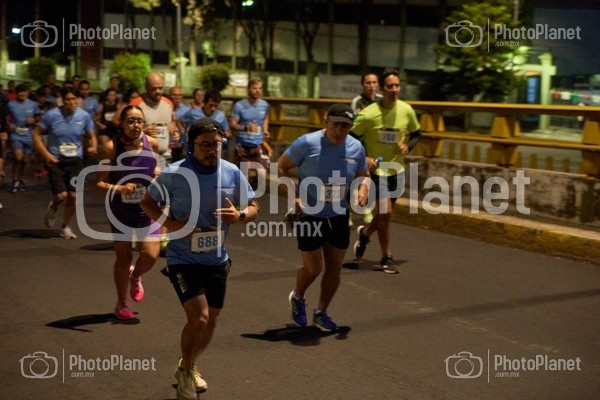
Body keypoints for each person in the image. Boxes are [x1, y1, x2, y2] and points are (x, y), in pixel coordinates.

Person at [140, 118, 257, 399]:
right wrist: (171, 224)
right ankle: (185, 373)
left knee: (211, 321)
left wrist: (240, 215)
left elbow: (253, 206)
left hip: (216, 259)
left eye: (216, 144)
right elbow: (147, 202)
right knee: (200, 318)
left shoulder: (231, 172)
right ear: (191, 146)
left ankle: (188, 363)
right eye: (204, 145)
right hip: (183, 258)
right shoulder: (175, 173)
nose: (211, 150)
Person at [278, 103, 369, 331]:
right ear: (325, 121)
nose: (339, 130)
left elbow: (364, 174)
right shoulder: (307, 143)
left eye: (345, 126)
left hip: (338, 214)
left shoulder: (356, 147)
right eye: (335, 124)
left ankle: (321, 312)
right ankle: (298, 296)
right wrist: (293, 197)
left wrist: (362, 191)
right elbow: (282, 166)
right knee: (313, 269)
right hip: (309, 214)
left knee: (334, 269)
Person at [351, 67, 421, 274]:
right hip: (377, 171)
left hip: (396, 169)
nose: (395, 89)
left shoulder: (406, 110)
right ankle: (386, 257)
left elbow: (416, 133)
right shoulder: (368, 114)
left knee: (384, 215)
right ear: (382, 89)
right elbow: (350, 137)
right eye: (390, 86)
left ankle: (365, 234)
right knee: (386, 211)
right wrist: (364, 157)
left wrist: (408, 146)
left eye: (397, 86)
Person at [96, 105, 161, 320]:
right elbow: (99, 183)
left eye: (139, 121)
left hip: (148, 205)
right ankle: (121, 303)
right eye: (131, 121)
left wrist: (156, 177)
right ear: (121, 123)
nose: (136, 125)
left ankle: (136, 275)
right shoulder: (111, 147)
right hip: (121, 208)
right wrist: (120, 188)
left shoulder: (151, 144)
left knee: (151, 255)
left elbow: (155, 170)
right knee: (124, 257)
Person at [33, 86, 98, 239]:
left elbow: (92, 136)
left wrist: (93, 147)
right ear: (62, 100)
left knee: (73, 195)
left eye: (74, 99)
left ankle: (65, 227)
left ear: (78, 100)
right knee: (62, 195)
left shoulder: (84, 116)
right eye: (68, 99)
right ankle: (54, 205)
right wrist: (46, 154)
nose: (71, 102)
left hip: (76, 160)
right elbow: (36, 134)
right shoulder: (51, 115)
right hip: (56, 159)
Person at [128, 72, 179, 167]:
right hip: (142, 157)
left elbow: (171, 123)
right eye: (154, 88)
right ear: (146, 87)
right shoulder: (136, 104)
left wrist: (174, 132)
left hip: (165, 156)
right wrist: (143, 132)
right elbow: (125, 131)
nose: (158, 91)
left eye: (160, 88)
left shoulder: (168, 103)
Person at [229, 77, 270, 188]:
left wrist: (265, 130)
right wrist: (246, 128)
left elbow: (265, 118)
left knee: (262, 175)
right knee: (243, 177)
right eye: (254, 88)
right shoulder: (239, 105)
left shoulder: (264, 105)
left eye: (260, 88)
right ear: (248, 89)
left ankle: (252, 189)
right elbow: (232, 124)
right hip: (242, 145)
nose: (257, 91)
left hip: (257, 144)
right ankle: (243, 193)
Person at [6, 84, 41, 192]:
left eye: (24, 91)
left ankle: (21, 179)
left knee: (26, 160)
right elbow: (4, 116)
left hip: (28, 135)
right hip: (16, 134)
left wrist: (34, 120)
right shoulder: (11, 104)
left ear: (28, 92)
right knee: (18, 157)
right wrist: (9, 124)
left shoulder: (33, 104)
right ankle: (14, 179)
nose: (22, 94)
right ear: (17, 93)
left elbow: (38, 116)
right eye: (20, 91)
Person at [168, 86, 188, 162]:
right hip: (167, 146)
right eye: (174, 95)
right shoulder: (165, 108)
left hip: (180, 147)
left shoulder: (186, 111)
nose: (177, 97)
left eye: (180, 95)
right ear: (169, 96)